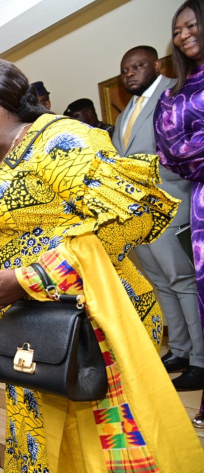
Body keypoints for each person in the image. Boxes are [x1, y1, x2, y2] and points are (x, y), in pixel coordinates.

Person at [0, 58, 204, 472]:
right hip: (32, 331)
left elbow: (123, 217)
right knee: (40, 442)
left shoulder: (58, 140)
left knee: (107, 445)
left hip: (95, 325)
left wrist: (31, 278)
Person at [114, 45, 202, 390]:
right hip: (138, 216)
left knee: (183, 282)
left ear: (156, 65)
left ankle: (200, 361)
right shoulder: (126, 112)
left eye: (136, 67)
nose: (130, 74)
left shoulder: (174, 93)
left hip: (170, 206)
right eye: (125, 70)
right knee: (162, 284)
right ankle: (179, 349)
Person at [154, 0, 204, 426]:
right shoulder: (175, 94)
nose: (185, 34)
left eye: (192, 25)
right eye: (177, 30)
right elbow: (172, 153)